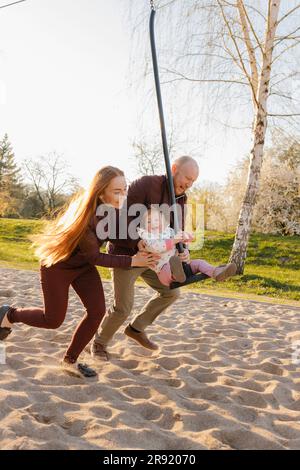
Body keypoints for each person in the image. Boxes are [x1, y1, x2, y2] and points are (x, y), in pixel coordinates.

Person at [0, 166, 158, 378]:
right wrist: (132, 260)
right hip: (57, 266)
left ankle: (70, 361)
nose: (123, 195)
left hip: (82, 267)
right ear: (101, 192)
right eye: (117, 191)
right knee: (53, 320)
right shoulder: (87, 216)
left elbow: (123, 235)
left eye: (125, 189)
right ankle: (9, 314)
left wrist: (140, 243)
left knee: (97, 311)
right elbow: (95, 256)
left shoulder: (116, 210)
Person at [91, 156, 200, 360]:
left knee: (172, 292)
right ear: (174, 168)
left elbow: (177, 231)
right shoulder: (147, 184)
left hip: (157, 258)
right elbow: (118, 217)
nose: (188, 184)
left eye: (193, 181)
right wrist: (135, 243)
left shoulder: (181, 200)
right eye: (187, 177)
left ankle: (136, 329)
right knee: (123, 307)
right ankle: (99, 343)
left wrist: (183, 251)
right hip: (128, 255)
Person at [137, 207, 237, 287]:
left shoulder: (169, 232)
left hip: (183, 266)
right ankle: (177, 275)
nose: (154, 223)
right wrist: (175, 240)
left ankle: (217, 272)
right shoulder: (148, 238)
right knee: (171, 265)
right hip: (164, 272)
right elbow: (157, 247)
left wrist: (186, 238)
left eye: (157, 220)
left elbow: (182, 240)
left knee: (199, 263)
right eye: (149, 222)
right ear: (144, 226)